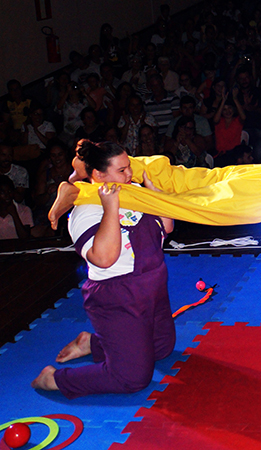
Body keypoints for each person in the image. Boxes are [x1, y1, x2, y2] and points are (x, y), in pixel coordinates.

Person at [48, 92, 261, 239]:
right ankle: (80, 192)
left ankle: (84, 166)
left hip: (258, 175)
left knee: (181, 178)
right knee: (183, 204)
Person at [31, 140, 176, 398]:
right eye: (121, 170)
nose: (130, 174)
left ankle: (93, 343)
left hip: (153, 286)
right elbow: (104, 258)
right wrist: (111, 208)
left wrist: (154, 194)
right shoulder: (85, 210)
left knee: (162, 348)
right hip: (118, 296)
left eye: (128, 166)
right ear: (98, 174)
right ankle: (54, 379)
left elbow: (166, 228)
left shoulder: (134, 191)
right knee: (132, 378)